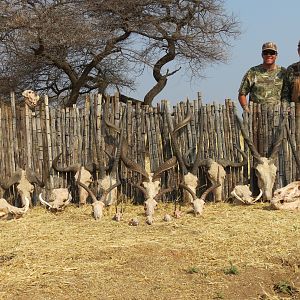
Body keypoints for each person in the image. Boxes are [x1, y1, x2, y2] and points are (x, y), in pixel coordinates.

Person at [238, 42, 288, 113]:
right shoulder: (253, 72)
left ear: (276, 55)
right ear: (262, 55)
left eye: (271, 53)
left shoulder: (283, 72)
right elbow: (242, 94)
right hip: (256, 117)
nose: (268, 55)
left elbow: (288, 95)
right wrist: (246, 109)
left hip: (277, 117)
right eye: (266, 53)